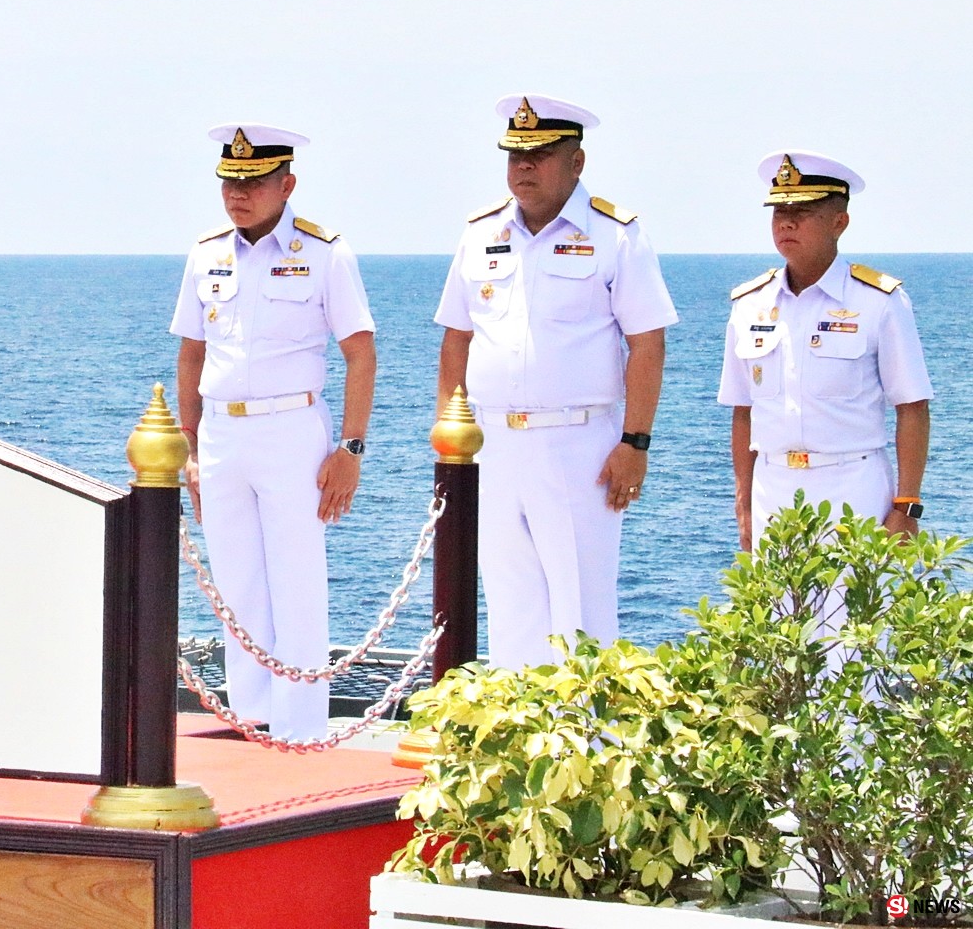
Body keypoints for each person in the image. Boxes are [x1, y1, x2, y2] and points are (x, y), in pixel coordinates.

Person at [433, 95, 676, 670]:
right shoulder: (479, 233)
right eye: (516, 153)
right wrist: (449, 440)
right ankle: (523, 745)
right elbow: (456, 341)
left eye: (540, 153)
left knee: (581, 609)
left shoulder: (617, 235)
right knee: (510, 603)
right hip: (491, 444)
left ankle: (589, 748)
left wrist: (635, 443)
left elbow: (647, 344)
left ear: (576, 162)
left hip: (579, 445)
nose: (524, 165)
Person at [170, 124, 376, 741]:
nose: (239, 194)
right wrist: (190, 448)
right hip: (222, 434)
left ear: (287, 184)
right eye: (230, 182)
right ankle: (251, 717)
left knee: (297, 581)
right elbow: (190, 355)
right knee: (236, 582)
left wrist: (351, 449)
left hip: (291, 429)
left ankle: (300, 723)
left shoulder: (324, 253)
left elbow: (360, 354)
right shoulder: (206, 253)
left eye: (254, 182)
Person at [718, 152, 931, 548]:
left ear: (839, 222)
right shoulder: (749, 304)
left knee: (859, 610)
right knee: (777, 611)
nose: (786, 221)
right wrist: (744, 505)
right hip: (773, 493)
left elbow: (913, 406)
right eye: (778, 210)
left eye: (804, 210)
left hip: (855, 490)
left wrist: (907, 505)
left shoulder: (880, 302)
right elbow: (743, 411)